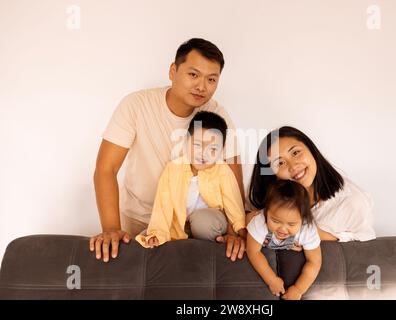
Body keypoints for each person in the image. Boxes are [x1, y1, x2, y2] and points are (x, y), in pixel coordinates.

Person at [90, 38, 246, 262]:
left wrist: (235, 233)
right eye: (193, 75)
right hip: (142, 220)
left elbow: (232, 177)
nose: (202, 86)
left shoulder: (216, 115)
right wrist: (111, 229)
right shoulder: (137, 105)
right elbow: (106, 168)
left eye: (211, 79)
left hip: (199, 228)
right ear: (173, 71)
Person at [135, 111, 246, 248]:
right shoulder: (173, 168)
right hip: (181, 224)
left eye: (213, 149)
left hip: (210, 221)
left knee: (202, 222)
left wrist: (240, 229)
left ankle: (210, 245)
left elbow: (232, 201)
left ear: (221, 150)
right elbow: (163, 204)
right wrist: (157, 233)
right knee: (148, 236)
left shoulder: (222, 169)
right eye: (198, 145)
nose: (203, 154)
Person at [248, 126, 376, 242]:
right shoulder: (274, 194)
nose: (293, 166)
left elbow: (366, 242)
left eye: (295, 153)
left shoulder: (352, 202)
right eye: (280, 163)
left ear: (311, 149)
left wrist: (320, 235)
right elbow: (248, 217)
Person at [247, 179, 322, 300]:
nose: (283, 229)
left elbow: (314, 261)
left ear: (302, 220)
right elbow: (253, 251)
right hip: (252, 220)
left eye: (291, 224)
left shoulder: (307, 229)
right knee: (247, 222)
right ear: (266, 212)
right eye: (275, 221)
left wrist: (298, 289)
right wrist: (271, 279)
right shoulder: (260, 221)